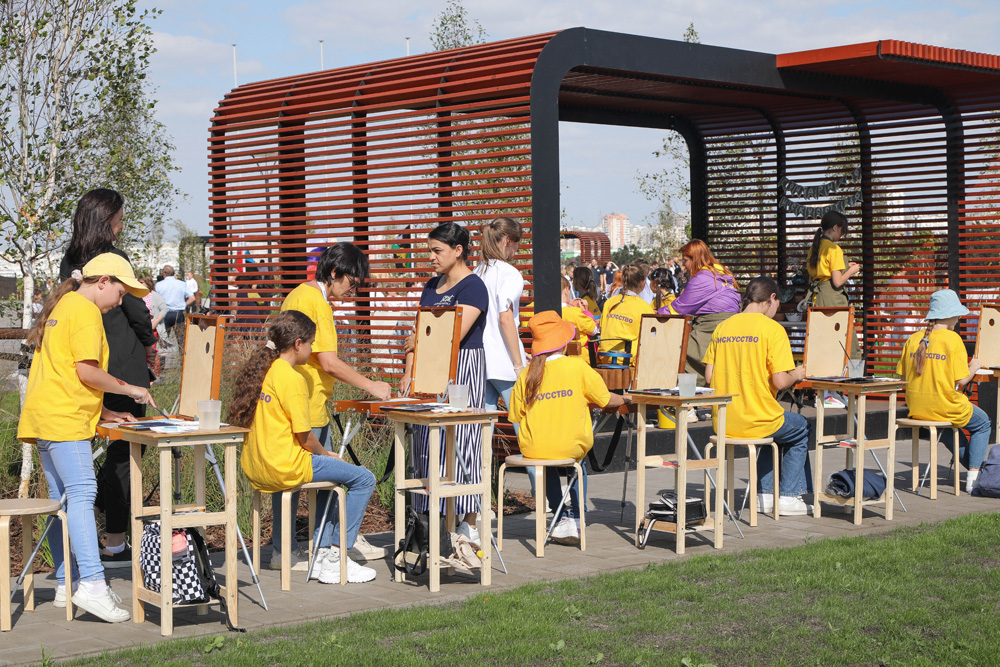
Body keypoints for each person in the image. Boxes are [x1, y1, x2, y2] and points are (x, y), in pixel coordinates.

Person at [18, 253, 154, 622]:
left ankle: (68, 581)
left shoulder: (64, 304)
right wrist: (131, 389)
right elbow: (86, 372)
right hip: (65, 421)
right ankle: (93, 584)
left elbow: (65, 372)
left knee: (61, 502)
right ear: (103, 281)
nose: (120, 302)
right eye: (121, 293)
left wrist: (106, 413)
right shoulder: (85, 312)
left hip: (46, 417)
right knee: (81, 494)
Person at [229, 310, 377, 584]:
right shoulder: (293, 378)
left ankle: (322, 552)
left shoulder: (262, 371)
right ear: (298, 344)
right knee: (364, 479)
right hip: (286, 466)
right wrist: (327, 454)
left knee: (336, 476)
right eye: (310, 343)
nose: (311, 350)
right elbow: (305, 437)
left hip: (257, 467)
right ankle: (336, 558)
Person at [277, 242, 391, 570]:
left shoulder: (302, 295)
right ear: (334, 272)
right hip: (306, 407)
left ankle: (307, 547)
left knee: (313, 482)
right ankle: (317, 549)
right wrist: (371, 385)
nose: (352, 292)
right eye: (351, 283)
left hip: (307, 404)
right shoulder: (314, 300)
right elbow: (328, 361)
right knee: (324, 481)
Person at [59, 188, 156, 567]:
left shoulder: (70, 260)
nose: (121, 226)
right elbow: (136, 309)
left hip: (85, 363)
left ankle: (96, 510)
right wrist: (148, 341)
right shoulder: (114, 260)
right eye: (119, 219)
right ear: (106, 220)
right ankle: (115, 541)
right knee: (126, 453)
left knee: (105, 448)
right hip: (122, 365)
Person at [401, 222, 488, 544]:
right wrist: (409, 373)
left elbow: (451, 335)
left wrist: (418, 340)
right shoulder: (430, 285)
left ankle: (468, 524)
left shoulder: (473, 287)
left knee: (463, 440)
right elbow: (418, 333)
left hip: (463, 369)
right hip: (428, 370)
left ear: (458, 250)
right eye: (430, 250)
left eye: (437, 251)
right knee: (426, 443)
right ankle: (430, 524)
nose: (431, 257)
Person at [509, 311, 629, 543]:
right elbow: (605, 400)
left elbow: (515, 414)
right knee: (577, 462)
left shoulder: (527, 374)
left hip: (535, 448)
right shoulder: (577, 366)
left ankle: (559, 515)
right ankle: (576, 517)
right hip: (571, 446)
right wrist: (625, 398)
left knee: (546, 462)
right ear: (564, 342)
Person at [703, 276, 812, 516]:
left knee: (777, 431)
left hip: (724, 422)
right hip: (759, 419)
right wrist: (796, 374)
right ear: (772, 298)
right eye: (778, 305)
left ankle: (764, 494)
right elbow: (780, 381)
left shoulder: (723, 327)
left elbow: (709, 376)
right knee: (801, 427)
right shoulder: (773, 329)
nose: (776, 311)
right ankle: (789, 496)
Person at [896, 289, 989, 493]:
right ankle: (975, 477)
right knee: (983, 424)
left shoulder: (913, 339)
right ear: (949, 314)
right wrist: (974, 366)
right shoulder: (952, 339)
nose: (959, 318)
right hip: (944, 406)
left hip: (918, 409)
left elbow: (903, 379)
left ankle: (978, 472)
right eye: (957, 314)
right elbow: (962, 380)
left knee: (948, 430)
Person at [658, 239, 741, 385]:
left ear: (695, 258)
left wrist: (654, 312)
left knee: (674, 351)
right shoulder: (720, 273)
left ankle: (685, 392)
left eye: (685, 260)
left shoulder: (703, 277)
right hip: (729, 328)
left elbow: (678, 309)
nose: (683, 265)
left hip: (710, 330)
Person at [474, 217, 527, 424]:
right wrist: (518, 364)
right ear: (508, 241)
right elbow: (505, 318)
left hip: (482, 360)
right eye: (516, 245)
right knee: (523, 422)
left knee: (484, 424)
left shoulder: (477, 272)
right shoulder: (510, 274)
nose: (516, 252)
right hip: (505, 362)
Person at [806, 211, 861, 409]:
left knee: (824, 344)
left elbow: (819, 274)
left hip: (819, 298)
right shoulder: (834, 249)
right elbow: (837, 282)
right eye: (842, 232)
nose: (842, 236)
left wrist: (845, 267)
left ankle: (825, 392)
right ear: (835, 228)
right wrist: (852, 270)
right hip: (834, 298)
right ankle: (848, 391)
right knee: (848, 343)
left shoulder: (815, 247)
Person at [598, 264, 654, 367]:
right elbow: (651, 336)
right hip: (627, 360)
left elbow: (602, 327)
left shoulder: (610, 302)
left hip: (604, 357)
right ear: (643, 283)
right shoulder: (644, 307)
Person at [560, 277, 597, 358]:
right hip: (578, 356)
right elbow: (594, 330)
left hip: (554, 356)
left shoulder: (544, 312)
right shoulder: (574, 313)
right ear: (567, 289)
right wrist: (585, 312)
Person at [155, 265, 195, 336]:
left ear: (164, 274)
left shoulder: (158, 285)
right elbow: (192, 298)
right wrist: (183, 304)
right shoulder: (182, 284)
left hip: (164, 314)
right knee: (180, 338)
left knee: (164, 338)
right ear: (174, 274)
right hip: (178, 313)